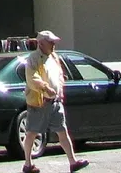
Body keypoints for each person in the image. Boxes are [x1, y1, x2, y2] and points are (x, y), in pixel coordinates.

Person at [20, 30, 88, 173]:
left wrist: (59, 92)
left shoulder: (54, 57)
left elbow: (59, 76)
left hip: (55, 102)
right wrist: (46, 88)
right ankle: (28, 164)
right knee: (32, 133)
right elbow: (32, 79)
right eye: (51, 42)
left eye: (54, 42)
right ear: (41, 43)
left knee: (62, 131)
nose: (53, 45)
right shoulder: (33, 59)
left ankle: (73, 162)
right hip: (39, 102)